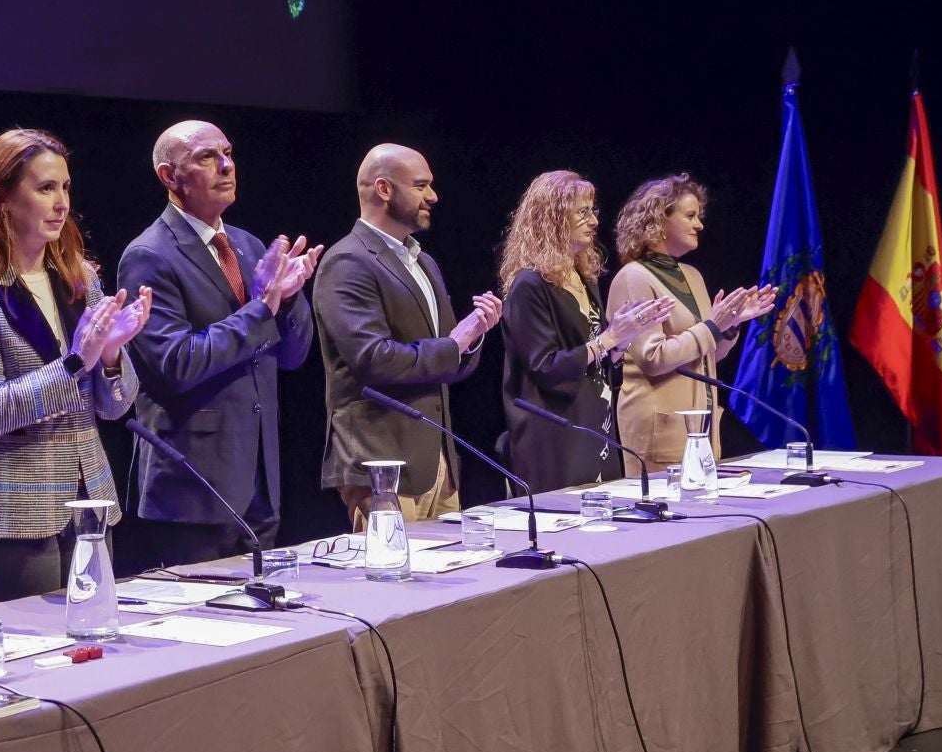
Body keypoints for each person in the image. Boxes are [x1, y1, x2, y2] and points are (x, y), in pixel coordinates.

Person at [0, 129, 151, 604]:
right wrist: (77, 361)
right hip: (11, 517)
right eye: (44, 188)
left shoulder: (79, 278)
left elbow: (115, 408)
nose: (60, 203)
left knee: (94, 655)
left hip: (89, 505)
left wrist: (112, 354)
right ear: (2, 198)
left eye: (65, 188)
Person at [116, 120, 320, 566]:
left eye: (228, 153)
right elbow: (174, 365)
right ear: (170, 177)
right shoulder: (149, 255)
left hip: (258, 483)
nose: (226, 166)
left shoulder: (248, 246)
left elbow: (293, 356)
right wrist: (264, 307)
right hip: (191, 490)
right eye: (207, 157)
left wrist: (288, 300)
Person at [317, 143, 503, 524]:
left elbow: (448, 360)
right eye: (421, 186)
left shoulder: (424, 262)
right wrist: (456, 342)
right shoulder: (347, 261)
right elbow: (375, 360)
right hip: (380, 464)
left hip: (437, 465)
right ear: (384, 190)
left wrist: (472, 338)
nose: (432, 196)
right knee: (390, 580)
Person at [497, 171, 673, 492]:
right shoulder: (530, 285)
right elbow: (545, 367)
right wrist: (609, 338)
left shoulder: (584, 278)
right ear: (551, 217)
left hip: (594, 424)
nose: (593, 220)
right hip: (556, 436)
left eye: (593, 211)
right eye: (583, 212)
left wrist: (622, 342)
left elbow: (598, 357)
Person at [608, 174, 777, 468]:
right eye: (690, 216)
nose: (699, 224)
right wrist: (712, 326)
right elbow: (653, 358)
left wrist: (729, 326)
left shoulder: (693, 277)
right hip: (659, 431)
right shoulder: (633, 277)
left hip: (701, 429)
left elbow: (707, 355)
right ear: (659, 221)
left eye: (698, 216)